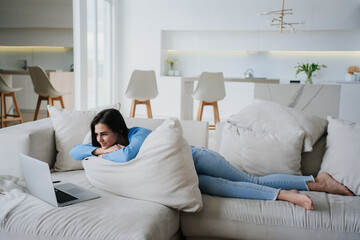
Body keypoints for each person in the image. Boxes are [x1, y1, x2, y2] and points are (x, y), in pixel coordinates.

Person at [70, 109, 354, 210]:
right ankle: (291, 192)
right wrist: (96, 151)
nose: (100, 140)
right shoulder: (103, 146)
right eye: (96, 136)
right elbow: (75, 152)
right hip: (184, 175)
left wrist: (108, 152)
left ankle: (314, 183)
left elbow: (129, 156)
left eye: (104, 135)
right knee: (229, 190)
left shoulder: (138, 133)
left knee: (248, 180)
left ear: (119, 129)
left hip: (197, 158)